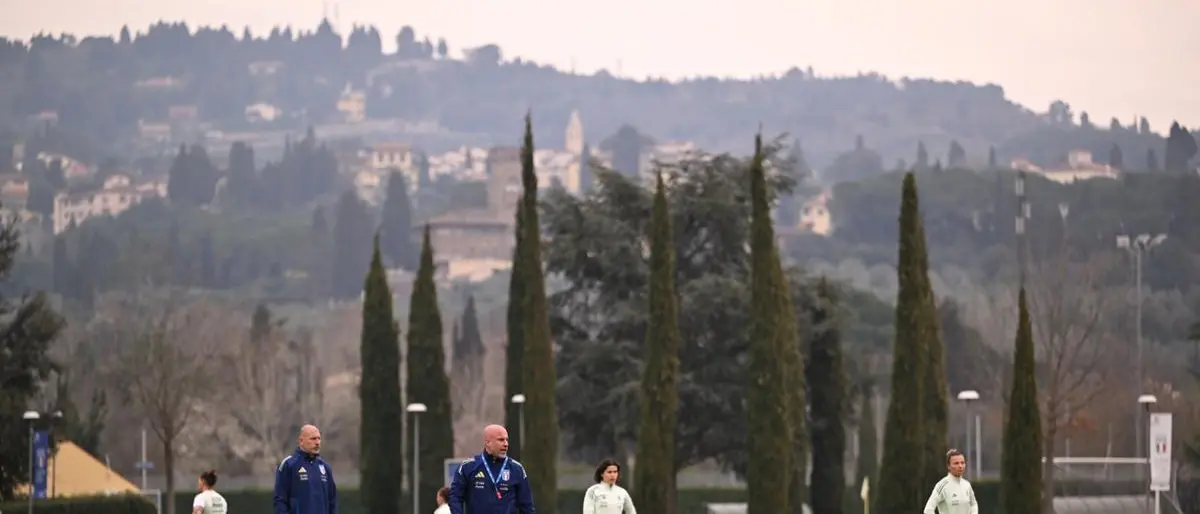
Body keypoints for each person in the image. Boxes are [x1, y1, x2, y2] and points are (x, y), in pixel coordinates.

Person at [449, 424, 536, 514]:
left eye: (507, 440)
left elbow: (527, 506)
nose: (506, 444)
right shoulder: (468, 467)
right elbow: (455, 497)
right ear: (487, 442)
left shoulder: (516, 469)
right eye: (501, 440)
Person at [274, 424, 339, 514]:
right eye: (313, 439)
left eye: (319, 438)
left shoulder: (325, 467)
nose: (317, 442)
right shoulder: (289, 465)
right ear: (301, 440)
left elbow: (332, 501)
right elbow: (280, 500)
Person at [923, 449, 978, 514]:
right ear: (948, 466)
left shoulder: (967, 485)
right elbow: (928, 510)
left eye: (962, 463)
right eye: (956, 463)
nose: (960, 466)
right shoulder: (942, 485)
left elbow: (973, 504)